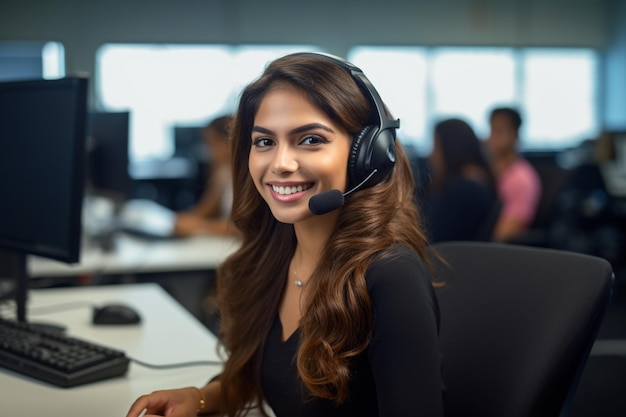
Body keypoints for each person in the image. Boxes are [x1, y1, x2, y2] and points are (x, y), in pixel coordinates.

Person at [126, 52, 444, 416]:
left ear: (369, 155)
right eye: (264, 142)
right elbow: (263, 378)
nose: (280, 164)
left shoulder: (389, 275)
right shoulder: (273, 254)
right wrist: (200, 398)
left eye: (310, 140)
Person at [425, 118, 499, 242]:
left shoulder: (465, 190)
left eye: (436, 146)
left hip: (448, 256)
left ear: (451, 149)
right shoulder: (475, 181)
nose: (431, 154)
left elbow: (429, 233)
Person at [174, 115, 238, 236]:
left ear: (229, 142)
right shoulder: (225, 171)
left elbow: (244, 229)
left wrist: (200, 225)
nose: (209, 151)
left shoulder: (251, 176)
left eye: (212, 144)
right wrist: (185, 219)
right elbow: (207, 210)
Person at [486, 107, 541, 242]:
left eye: (499, 131)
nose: (492, 138)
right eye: (491, 130)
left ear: (515, 135)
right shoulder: (486, 171)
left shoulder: (522, 179)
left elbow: (503, 234)